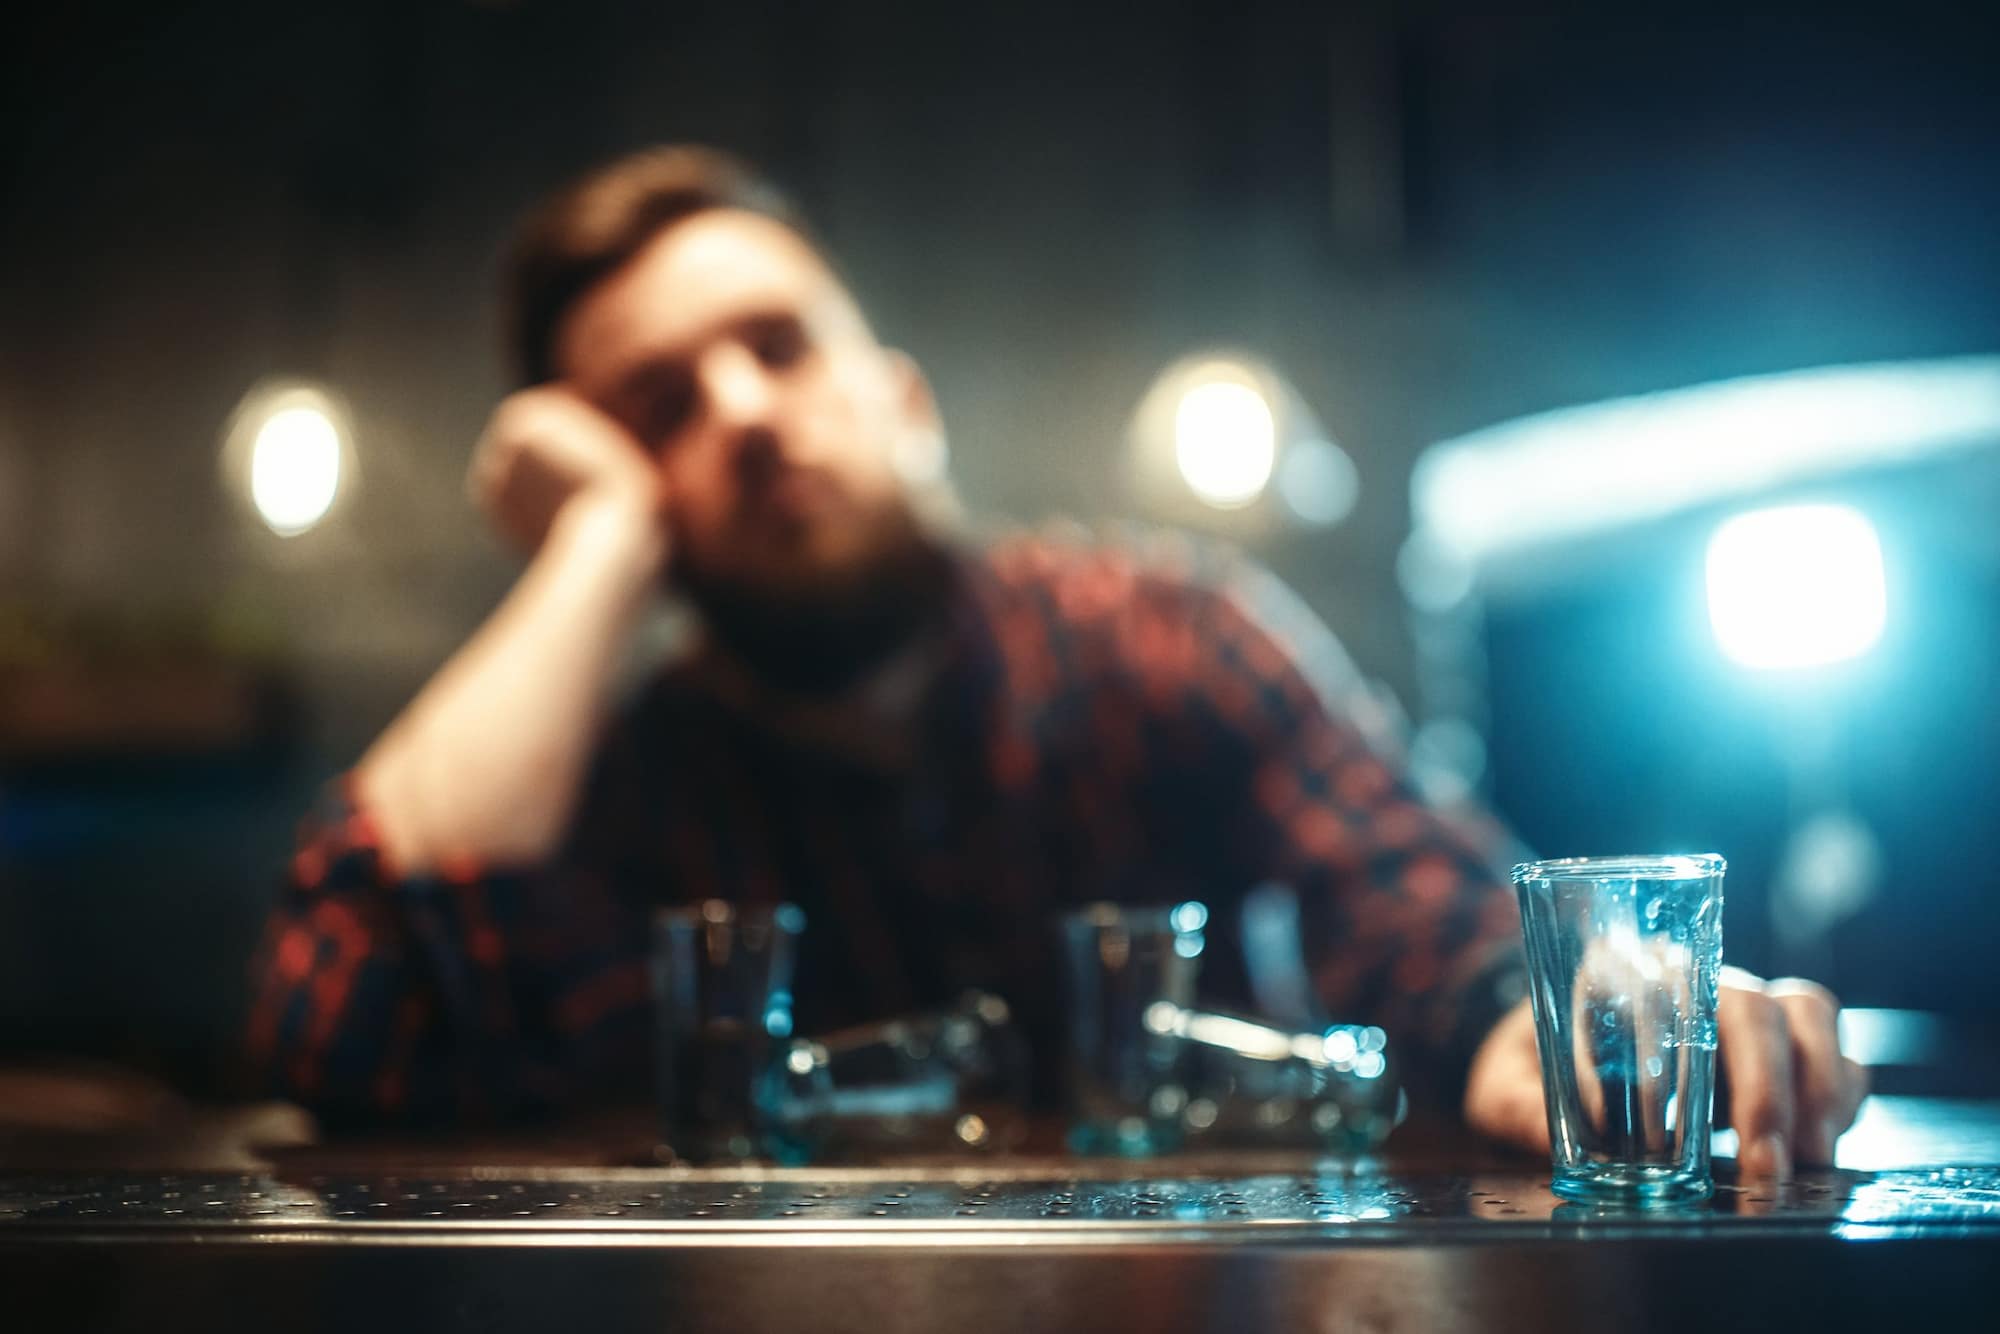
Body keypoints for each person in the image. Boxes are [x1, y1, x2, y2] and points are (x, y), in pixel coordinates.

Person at [246, 146, 1866, 1174]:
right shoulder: (628, 780)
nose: (741, 413)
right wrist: (592, 550)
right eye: (658, 408)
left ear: (904, 402)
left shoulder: (1166, 631)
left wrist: (1552, 1018)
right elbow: (341, 1026)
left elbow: (1409, 893)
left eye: (779, 347)